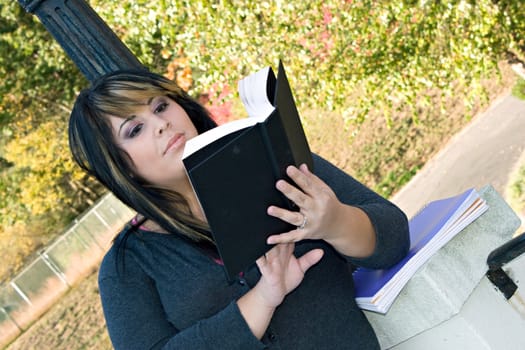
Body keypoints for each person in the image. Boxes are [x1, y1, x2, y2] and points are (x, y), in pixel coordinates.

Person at [68, 68, 410, 350]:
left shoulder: (278, 162)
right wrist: (262, 299)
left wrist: (335, 222)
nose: (161, 124)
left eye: (160, 106)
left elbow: (394, 237)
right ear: (120, 168)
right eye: (135, 129)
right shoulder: (127, 267)